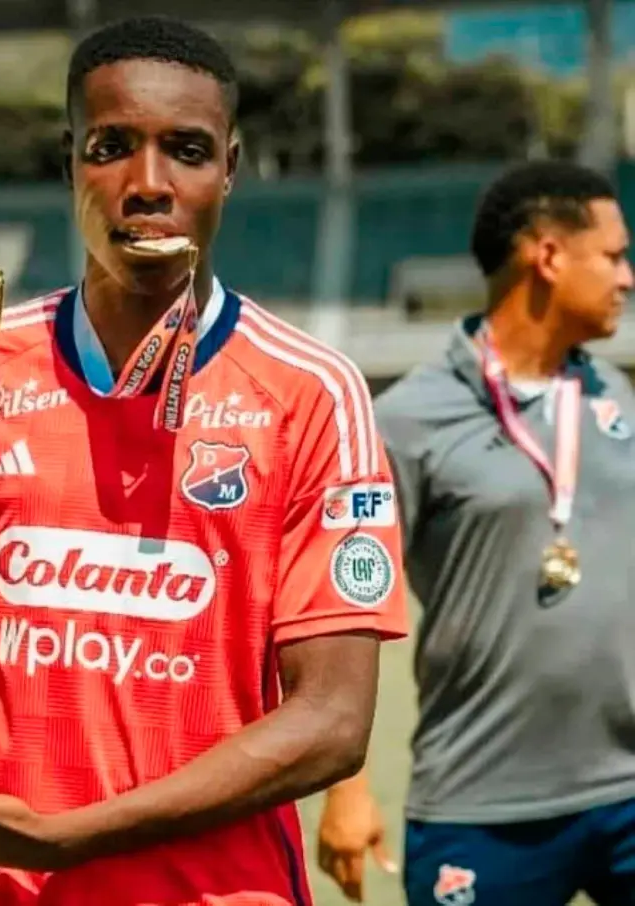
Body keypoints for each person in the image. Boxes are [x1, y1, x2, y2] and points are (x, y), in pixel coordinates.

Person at [0, 15, 409, 906]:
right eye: (111, 147)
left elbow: (332, 722)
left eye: (187, 150)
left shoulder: (311, 392)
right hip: (11, 889)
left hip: (217, 889)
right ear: (69, 162)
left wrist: (73, 838)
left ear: (231, 172)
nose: (147, 184)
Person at [316, 160, 635, 906]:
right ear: (547, 256)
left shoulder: (613, 393)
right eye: (615, 256)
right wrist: (346, 789)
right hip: (480, 803)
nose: (627, 277)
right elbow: (337, 617)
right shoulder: (406, 421)